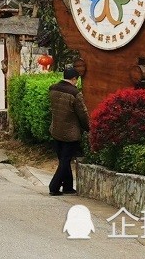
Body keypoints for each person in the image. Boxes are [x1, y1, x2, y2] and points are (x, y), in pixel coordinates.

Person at [48, 66, 90, 196]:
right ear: (73, 79)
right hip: (70, 132)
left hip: (56, 129)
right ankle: (54, 186)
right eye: (76, 80)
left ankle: (67, 186)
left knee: (62, 159)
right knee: (65, 160)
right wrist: (88, 128)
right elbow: (82, 113)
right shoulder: (75, 93)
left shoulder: (53, 89)